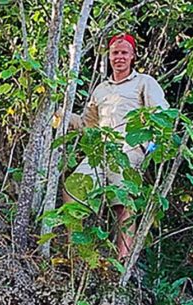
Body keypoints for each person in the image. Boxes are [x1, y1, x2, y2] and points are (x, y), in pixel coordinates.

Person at [58, 33, 169, 260]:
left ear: (132, 56)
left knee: (123, 203)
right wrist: (61, 115)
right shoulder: (101, 89)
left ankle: (123, 259)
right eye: (115, 53)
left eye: (124, 52)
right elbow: (88, 125)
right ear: (109, 57)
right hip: (102, 151)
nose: (119, 57)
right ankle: (79, 254)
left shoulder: (144, 82)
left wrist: (151, 147)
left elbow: (162, 115)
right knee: (72, 190)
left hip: (128, 150)